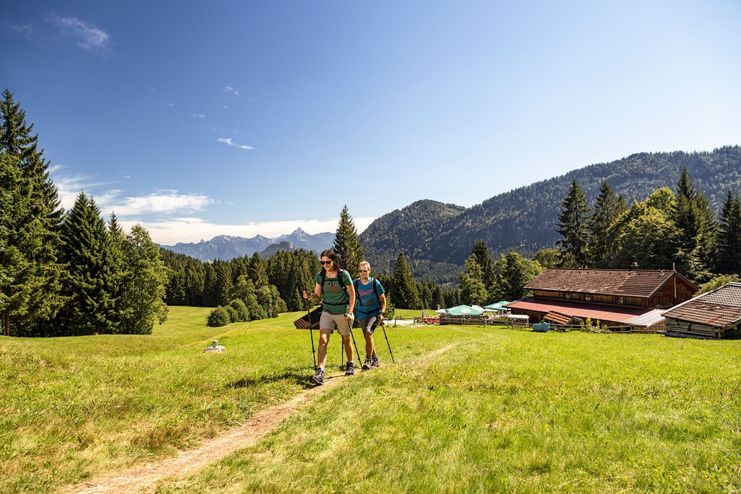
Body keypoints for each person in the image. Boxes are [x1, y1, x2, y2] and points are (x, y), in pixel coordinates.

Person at [303, 249, 356, 385]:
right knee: (323, 339)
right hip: (327, 310)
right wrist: (309, 296)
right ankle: (320, 371)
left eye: (327, 262)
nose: (325, 265)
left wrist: (350, 312)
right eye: (322, 262)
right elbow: (317, 295)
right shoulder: (320, 276)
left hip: (342, 310)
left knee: (345, 338)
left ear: (334, 261)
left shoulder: (343, 275)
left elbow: (352, 294)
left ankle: (350, 363)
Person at [353, 261, 387, 370]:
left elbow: (383, 301)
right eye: (360, 271)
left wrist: (381, 313)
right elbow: (349, 295)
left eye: (365, 271)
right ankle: (375, 358)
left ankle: (368, 360)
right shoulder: (355, 284)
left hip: (374, 313)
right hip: (361, 313)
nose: (363, 273)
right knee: (368, 336)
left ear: (369, 271)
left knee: (368, 331)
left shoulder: (375, 283)